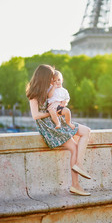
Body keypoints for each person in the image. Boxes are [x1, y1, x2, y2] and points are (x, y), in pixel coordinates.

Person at [26, 64, 91, 196]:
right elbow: (35, 115)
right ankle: (76, 184)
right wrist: (52, 113)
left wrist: (61, 106)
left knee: (86, 132)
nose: (53, 79)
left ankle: (78, 166)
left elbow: (58, 102)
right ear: (44, 77)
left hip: (57, 122)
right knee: (74, 147)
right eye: (51, 77)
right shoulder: (34, 94)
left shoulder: (50, 90)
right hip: (50, 128)